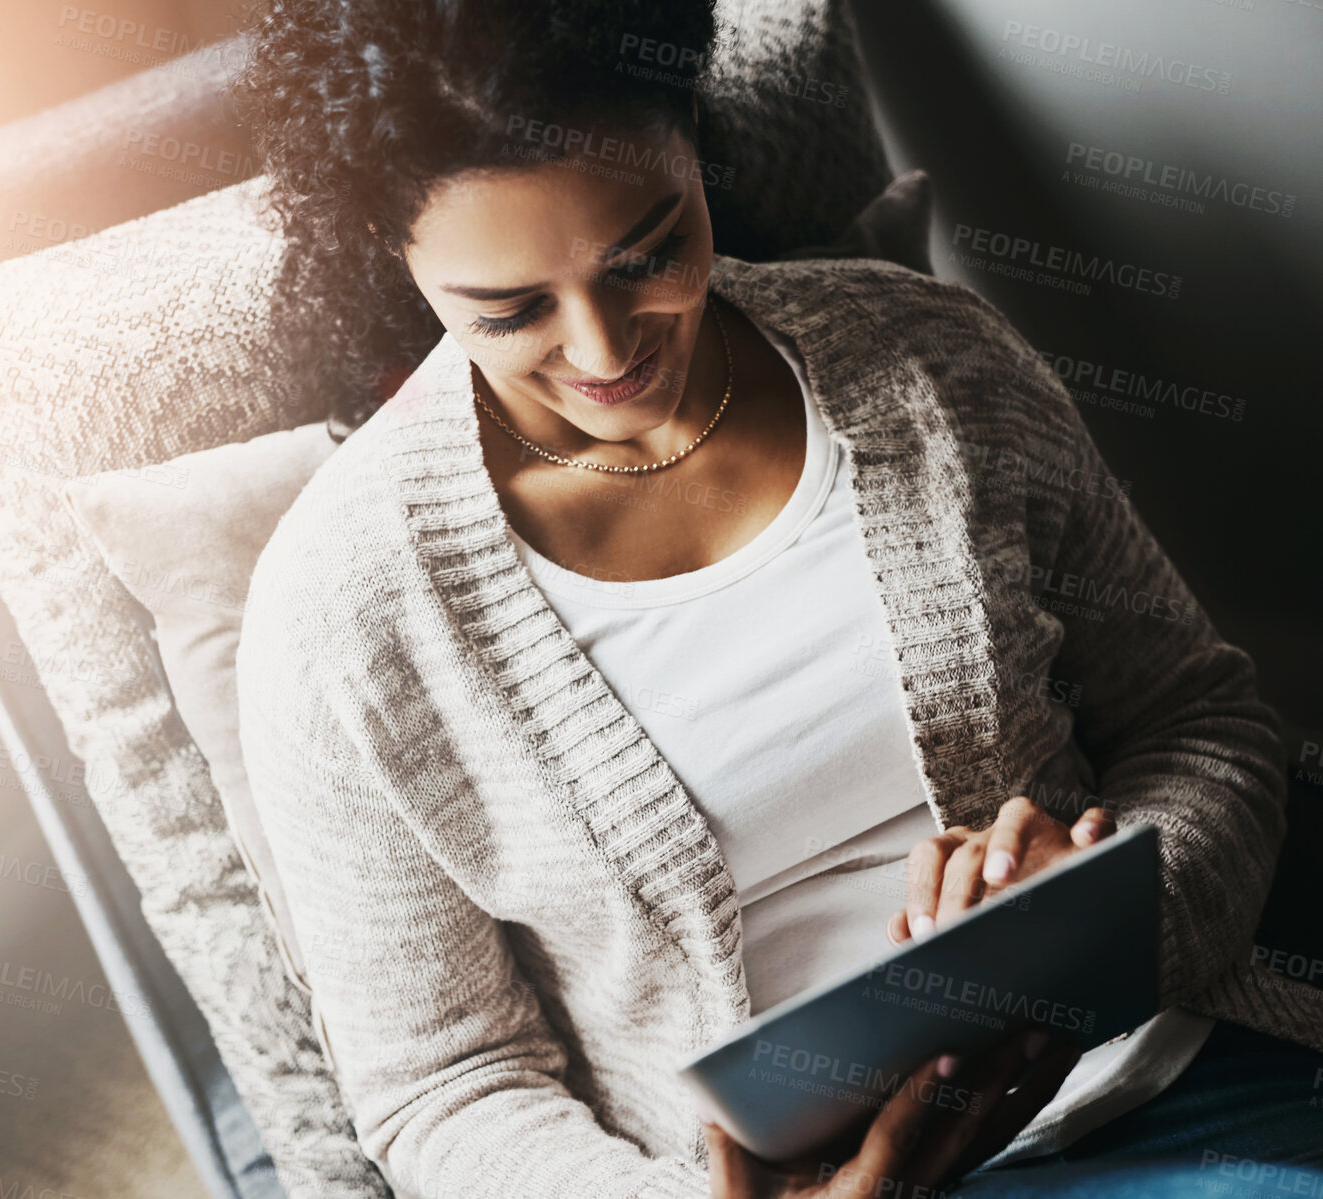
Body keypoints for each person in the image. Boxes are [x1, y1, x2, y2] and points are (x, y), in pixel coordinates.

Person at [231, 2, 1323, 1196]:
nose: (604, 353)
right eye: (511, 311)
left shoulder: (928, 360)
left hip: (1157, 1089)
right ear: (396, 257)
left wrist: (1108, 905)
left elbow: (1200, 721)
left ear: (694, 141)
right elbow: (440, 1084)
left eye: (646, 252)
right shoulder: (338, 616)